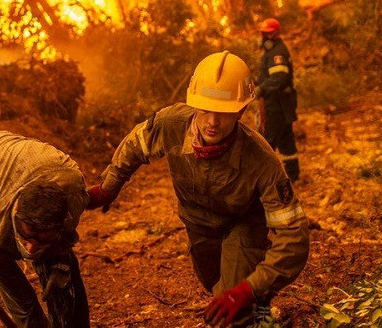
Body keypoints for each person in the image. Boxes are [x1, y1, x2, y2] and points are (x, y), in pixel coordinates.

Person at [86, 51, 309, 327]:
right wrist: (108, 188)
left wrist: (246, 290)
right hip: (199, 225)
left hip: (243, 225)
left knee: (232, 308)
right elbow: (136, 145)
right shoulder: (171, 124)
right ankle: (259, 307)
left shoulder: (260, 159)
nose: (212, 122)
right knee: (214, 287)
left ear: (240, 111)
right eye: (205, 110)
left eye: (224, 113)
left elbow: (295, 237)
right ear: (193, 104)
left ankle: (257, 314)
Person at [0, 131, 90, 328]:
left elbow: (65, 240)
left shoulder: (73, 193)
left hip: (31, 161)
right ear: (16, 210)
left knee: (63, 273)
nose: (29, 249)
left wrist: (59, 262)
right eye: (26, 237)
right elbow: (21, 303)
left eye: (40, 240)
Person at [256, 18, 300, 181]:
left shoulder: (277, 53)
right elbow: (269, 76)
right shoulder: (272, 52)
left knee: (267, 140)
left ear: (274, 34)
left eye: (266, 34)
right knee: (286, 139)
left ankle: (261, 178)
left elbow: (279, 77)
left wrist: (261, 88)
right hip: (282, 104)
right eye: (262, 33)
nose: (263, 37)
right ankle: (293, 175)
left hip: (276, 105)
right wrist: (255, 81)